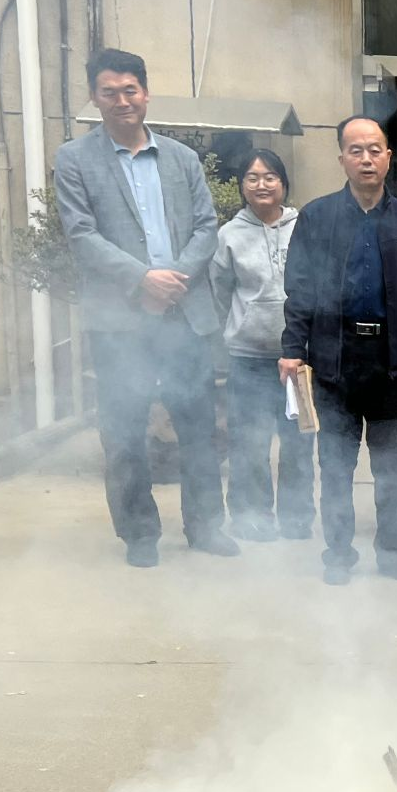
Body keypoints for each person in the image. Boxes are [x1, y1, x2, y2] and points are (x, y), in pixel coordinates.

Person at [52, 48, 230, 568]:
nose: (122, 100)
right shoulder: (75, 159)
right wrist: (142, 279)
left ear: (146, 94)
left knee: (198, 429)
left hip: (184, 314)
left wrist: (175, 278)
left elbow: (206, 227)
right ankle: (140, 535)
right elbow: (81, 234)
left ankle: (206, 527)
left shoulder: (181, 158)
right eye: (109, 92)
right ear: (95, 97)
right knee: (124, 432)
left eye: (130, 90)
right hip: (120, 322)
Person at [278, 116, 397, 587]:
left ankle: (393, 553)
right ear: (342, 158)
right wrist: (293, 348)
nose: (366, 159)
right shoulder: (317, 217)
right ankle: (338, 554)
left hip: (391, 366)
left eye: (374, 150)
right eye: (356, 150)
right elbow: (300, 288)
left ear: (388, 157)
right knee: (335, 466)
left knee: (395, 469)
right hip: (334, 361)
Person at [209, 149, 310, 542]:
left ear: (283, 182)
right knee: (249, 443)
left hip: (299, 360)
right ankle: (252, 517)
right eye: (252, 177)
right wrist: (239, 327)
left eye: (270, 176)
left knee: (299, 441)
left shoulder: (304, 227)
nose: (261, 184)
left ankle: (297, 517)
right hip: (248, 359)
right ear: (242, 186)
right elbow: (220, 292)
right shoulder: (229, 235)